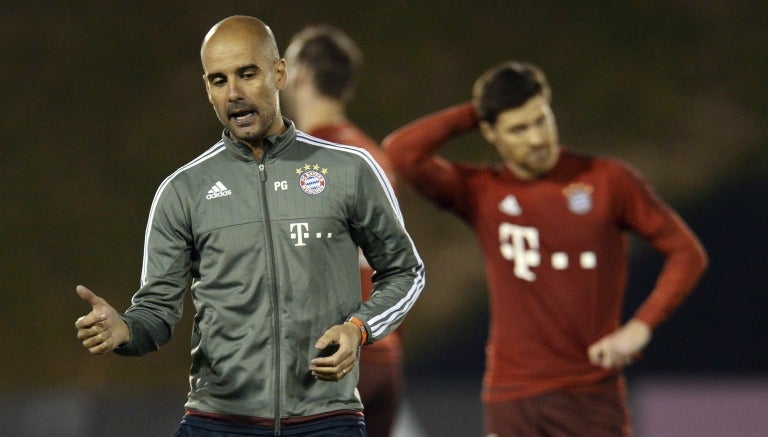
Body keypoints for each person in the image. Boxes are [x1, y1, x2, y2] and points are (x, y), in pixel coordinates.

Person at [74, 15, 424, 437]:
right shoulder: (182, 191)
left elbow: (406, 271)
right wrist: (126, 330)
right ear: (207, 89)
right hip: (216, 422)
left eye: (247, 74)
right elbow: (157, 311)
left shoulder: (348, 170)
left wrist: (359, 328)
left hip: (327, 421)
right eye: (219, 80)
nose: (234, 93)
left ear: (279, 74)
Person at [382, 61, 707, 436]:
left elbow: (686, 253)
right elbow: (402, 152)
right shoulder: (481, 191)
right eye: (518, 128)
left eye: (541, 120)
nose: (536, 138)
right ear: (489, 132)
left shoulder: (607, 180)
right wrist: (479, 108)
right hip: (512, 395)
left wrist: (641, 326)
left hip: (589, 394)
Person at [281, 25, 404, 437]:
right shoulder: (374, 156)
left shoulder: (301, 161)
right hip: (382, 353)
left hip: (331, 358)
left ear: (298, 72)